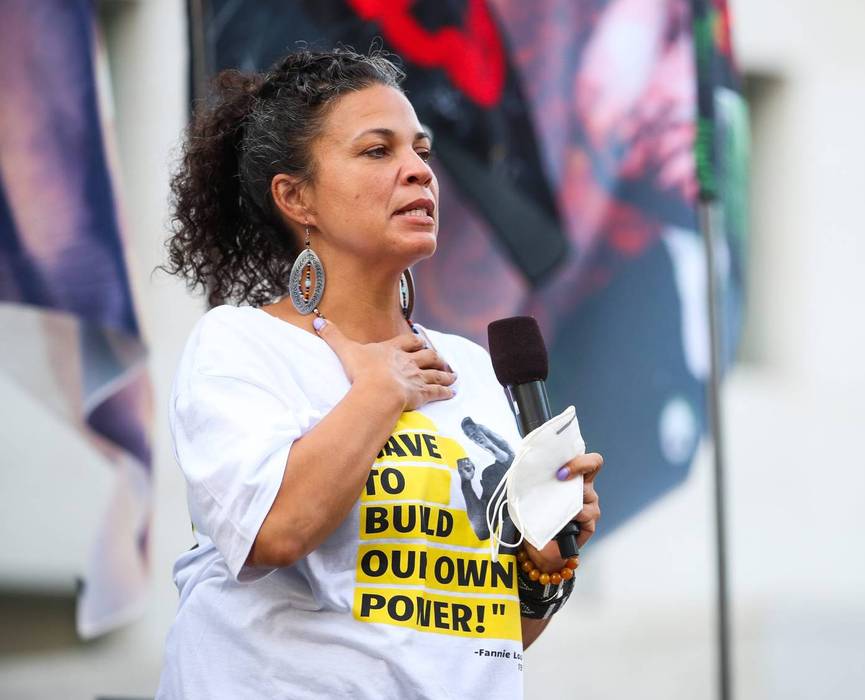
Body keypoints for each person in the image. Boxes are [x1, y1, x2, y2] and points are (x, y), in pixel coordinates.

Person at [156, 47, 603, 699]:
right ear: (296, 196)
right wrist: (379, 390)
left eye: (421, 150)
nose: (419, 171)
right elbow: (274, 532)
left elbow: (479, 631)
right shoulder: (242, 344)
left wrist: (542, 565)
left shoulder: (473, 369)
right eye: (377, 151)